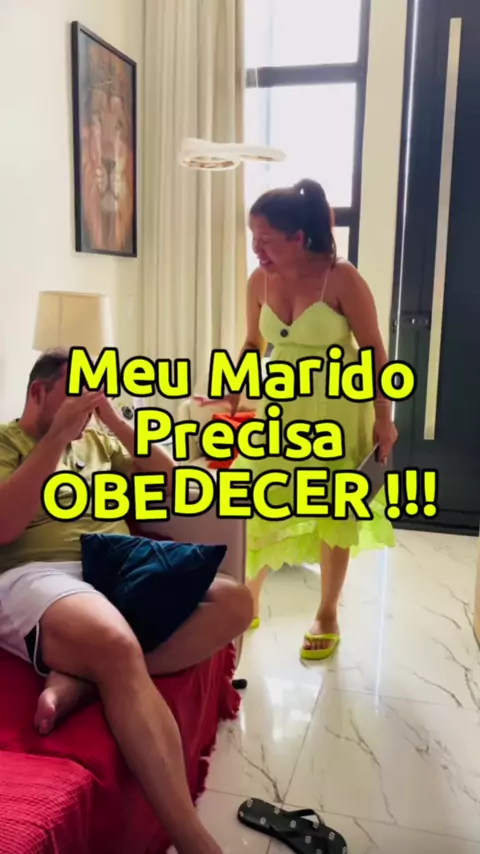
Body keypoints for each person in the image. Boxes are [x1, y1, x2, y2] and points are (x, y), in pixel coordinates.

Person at [0, 348, 253, 854]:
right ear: (38, 393)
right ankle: (194, 840)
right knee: (115, 645)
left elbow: (168, 476)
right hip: (40, 573)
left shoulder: (98, 439)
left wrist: (114, 421)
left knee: (235, 602)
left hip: (114, 561)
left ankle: (85, 680)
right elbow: (4, 526)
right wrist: (54, 439)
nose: (84, 410)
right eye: (74, 396)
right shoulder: (7, 442)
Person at [228, 179, 397, 659]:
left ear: (298, 237)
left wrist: (383, 419)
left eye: (266, 239)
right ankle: (248, 599)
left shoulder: (341, 278)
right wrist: (233, 389)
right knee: (256, 501)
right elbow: (253, 343)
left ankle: (327, 612)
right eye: (252, 237)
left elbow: (374, 351)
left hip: (337, 411)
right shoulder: (258, 281)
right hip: (281, 410)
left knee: (332, 511)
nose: (256, 249)